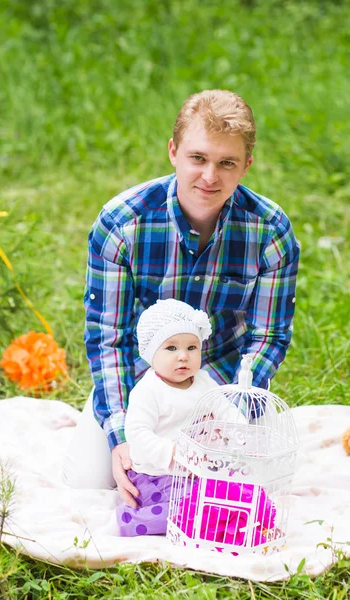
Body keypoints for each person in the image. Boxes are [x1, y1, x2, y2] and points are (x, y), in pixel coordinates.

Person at [62, 89, 300, 508]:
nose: (210, 176)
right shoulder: (122, 224)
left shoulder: (270, 231)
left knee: (252, 490)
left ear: (247, 165)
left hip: (223, 383)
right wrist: (121, 435)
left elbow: (269, 336)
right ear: (173, 151)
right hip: (142, 382)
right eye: (198, 158)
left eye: (227, 163)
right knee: (90, 484)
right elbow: (108, 340)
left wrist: (230, 414)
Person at [115, 298, 245, 536]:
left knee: (234, 491)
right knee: (187, 507)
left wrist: (242, 431)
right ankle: (134, 519)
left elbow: (225, 408)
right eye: (171, 348)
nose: (183, 356)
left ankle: (217, 517)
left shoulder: (203, 380)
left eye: (192, 348)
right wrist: (172, 452)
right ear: (150, 353)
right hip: (158, 474)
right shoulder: (148, 391)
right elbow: (137, 434)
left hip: (199, 467)